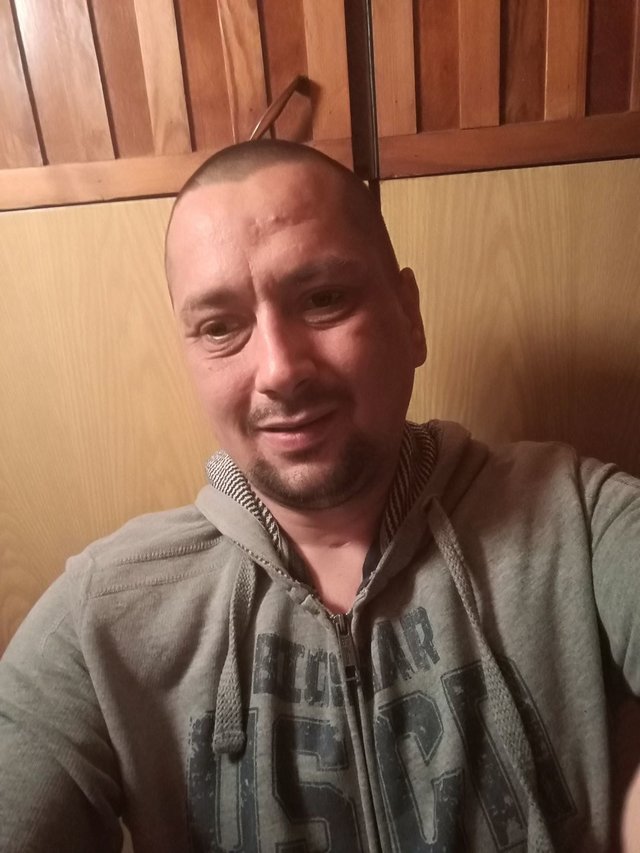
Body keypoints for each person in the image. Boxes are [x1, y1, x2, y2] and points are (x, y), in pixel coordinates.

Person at [1, 139, 639, 853]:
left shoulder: (578, 519)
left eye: (324, 298)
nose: (279, 370)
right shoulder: (103, 614)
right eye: (220, 327)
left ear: (410, 316)